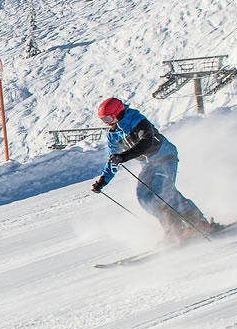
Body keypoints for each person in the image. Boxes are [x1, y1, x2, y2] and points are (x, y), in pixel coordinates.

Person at [90, 97, 217, 240]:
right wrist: (102, 181)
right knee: (144, 197)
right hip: (148, 165)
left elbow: (146, 141)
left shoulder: (136, 119)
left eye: (108, 118)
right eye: (103, 120)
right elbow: (113, 159)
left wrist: (124, 156)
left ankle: (198, 221)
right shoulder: (113, 135)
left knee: (162, 191)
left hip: (165, 157)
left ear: (117, 113)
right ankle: (175, 228)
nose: (106, 123)